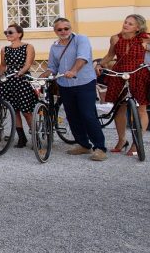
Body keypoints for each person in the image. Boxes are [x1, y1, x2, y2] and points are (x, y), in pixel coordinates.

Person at [41, 18, 107, 161]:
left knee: (88, 114)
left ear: (71, 28)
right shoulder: (55, 46)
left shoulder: (81, 39)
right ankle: (84, 144)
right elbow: (52, 66)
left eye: (66, 28)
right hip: (65, 85)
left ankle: (100, 148)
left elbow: (82, 57)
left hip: (84, 82)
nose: (63, 31)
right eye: (60, 29)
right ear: (55, 31)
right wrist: (42, 76)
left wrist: (74, 70)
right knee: (72, 116)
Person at [99, 14, 150, 156]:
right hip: (120, 74)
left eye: (130, 24)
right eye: (125, 22)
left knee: (142, 109)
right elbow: (110, 55)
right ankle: (122, 140)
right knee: (119, 109)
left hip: (138, 73)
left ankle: (136, 143)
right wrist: (99, 64)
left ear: (138, 28)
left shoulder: (145, 37)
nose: (126, 25)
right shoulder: (115, 38)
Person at [0, 23, 38, 149]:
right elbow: (3, 65)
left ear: (19, 34)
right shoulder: (5, 49)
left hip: (22, 79)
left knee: (26, 111)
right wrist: (0, 78)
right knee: (14, 111)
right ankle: (21, 138)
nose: (7, 35)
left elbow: (28, 63)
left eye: (10, 32)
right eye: (6, 33)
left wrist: (21, 72)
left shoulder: (28, 46)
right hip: (9, 80)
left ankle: (35, 138)